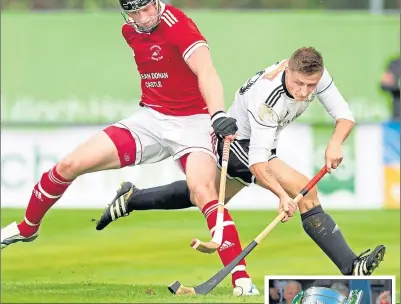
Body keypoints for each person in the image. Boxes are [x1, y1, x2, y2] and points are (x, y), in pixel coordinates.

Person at [0, 0, 260, 296]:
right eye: (133, 11)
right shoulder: (130, 30)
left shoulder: (178, 25)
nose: (141, 17)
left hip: (194, 122)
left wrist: (218, 113)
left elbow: (206, 70)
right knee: (69, 165)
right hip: (151, 119)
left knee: (202, 190)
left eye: (146, 8)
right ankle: (27, 228)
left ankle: (242, 282)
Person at [97, 47, 386, 277]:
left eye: (311, 86)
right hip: (236, 146)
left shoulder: (314, 75)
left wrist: (335, 143)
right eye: (299, 84)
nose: (305, 92)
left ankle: (131, 198)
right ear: (288, 70)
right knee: (305, 192)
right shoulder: (267, 99)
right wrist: (283, 196)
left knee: (201, 193)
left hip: (260, 148)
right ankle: (351, 267)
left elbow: (345, 115)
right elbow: (259, 163)